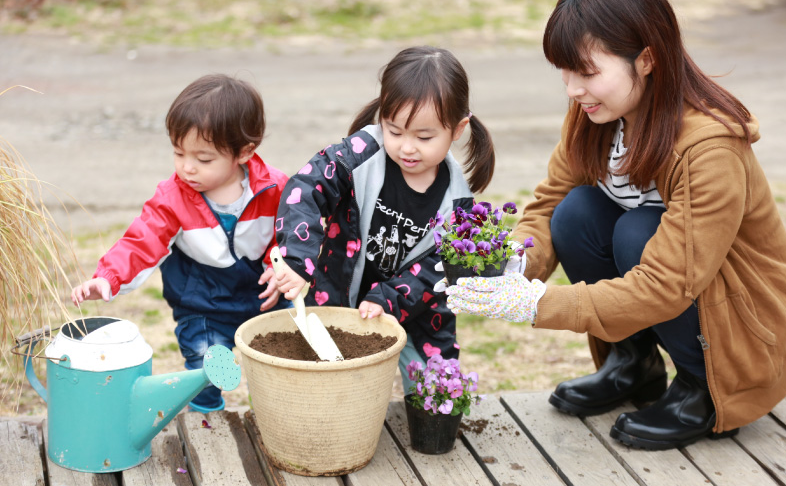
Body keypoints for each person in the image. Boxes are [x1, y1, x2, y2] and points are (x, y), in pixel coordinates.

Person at [445, 0, 786, 450]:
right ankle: (633, 363)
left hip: (744, 331)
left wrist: (535, 304)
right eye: (566, 72)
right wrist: (512, 265)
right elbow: (550, 203)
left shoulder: (710, 146)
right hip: (683, 295)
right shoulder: (595, 115)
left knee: (637, 232)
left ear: (647, 59)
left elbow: (667, 282)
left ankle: (703, 389)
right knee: (576, 213)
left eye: (587, 72)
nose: (573, 90)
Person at [272, 46, 495, 393]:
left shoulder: (459, 205)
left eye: (424, 137)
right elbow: (306, 189)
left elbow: (439, 270)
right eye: (394, 130)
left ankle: (431, 418)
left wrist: (388, 298)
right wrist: (297, 260)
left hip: (415, 310)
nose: (407, 147)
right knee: (327, 384)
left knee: (436, 392)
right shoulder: (359, 155)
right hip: (337, 290)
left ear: (458, 128)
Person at [71, 74, 291, 413]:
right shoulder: (174, 199)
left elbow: (292, 235)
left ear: (244, 152)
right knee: (204, 370)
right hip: (204, 303)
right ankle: (206, 425)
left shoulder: (275, 189)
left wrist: (283, 268)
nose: (187, 168)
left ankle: (279, 412)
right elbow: (142, 240)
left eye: (203, 159)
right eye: (178, 153)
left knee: (285, 360)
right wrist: (109, 277)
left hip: (264, 298)